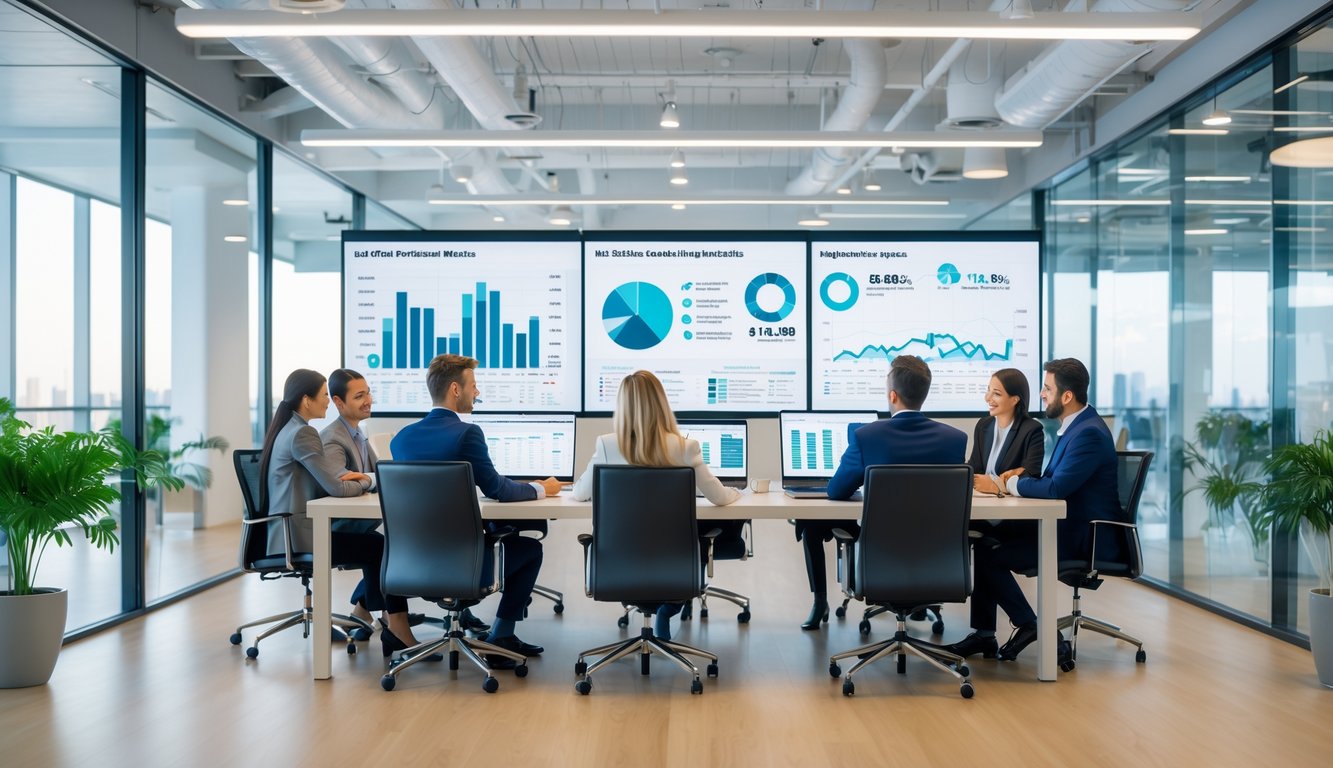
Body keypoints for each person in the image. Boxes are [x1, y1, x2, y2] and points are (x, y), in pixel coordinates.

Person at [947, 357, 1121, 662]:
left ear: (1066, 397)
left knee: (988, 555)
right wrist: (1016, 480)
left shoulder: (1088, 433)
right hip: (1064, 526)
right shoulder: (1077, 427)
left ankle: (1030, 626)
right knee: (983, 539)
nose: (1041, 394)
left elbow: (1054, 488)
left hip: (1081, 537)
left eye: (1047, 388)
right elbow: (1050, 482)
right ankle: (992, 634)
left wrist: (1007, 485)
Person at [390, 354, 559, 667]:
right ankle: (501, 636)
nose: (476, 393)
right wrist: (541, 488)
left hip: (412, 563)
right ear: (456, 389)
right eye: (473, 386)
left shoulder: (401, 439)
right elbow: (497, 489)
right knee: (529, 549)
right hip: (465, 564)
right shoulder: (467, 433)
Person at [259, 368, 424, 659]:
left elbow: (345, 480)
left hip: (287, 530)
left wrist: (357, 477)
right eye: (324, 396)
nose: (326, 402)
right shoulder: (304, 433)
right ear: (307, 400)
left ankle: (372, 616)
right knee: (380, 547)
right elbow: (337, 487)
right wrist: (362, 480)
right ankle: (395, 624)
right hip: (299, 537)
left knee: (377, 546)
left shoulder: (290, 429)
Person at [795, 355, 967, 630]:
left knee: (812, 525)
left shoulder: (867, 437)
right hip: (935, 551)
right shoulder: (955, 439)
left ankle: (820, 602)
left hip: (877, 551)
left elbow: (836, 490)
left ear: (892, 395)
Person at [571, 370, 741, 640]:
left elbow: (580, 494)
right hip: (673, 564)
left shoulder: (606, 445)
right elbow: (719, 497)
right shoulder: (685, 447)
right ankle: (669, 607)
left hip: (620, 564)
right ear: (661, 404)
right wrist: (736, 493)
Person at [320, 368, 485, 639]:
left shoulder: (359, 434)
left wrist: (372, 477)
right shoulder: (334, 438)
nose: (368, 400)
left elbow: (375, 475)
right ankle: (395, 623)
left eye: (368, 393)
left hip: (367, 521)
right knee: (389, 546)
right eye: (359, 396)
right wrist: (374, 478)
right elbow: (340, 484)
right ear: (339, 403)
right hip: (344, 524)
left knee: (396, 541)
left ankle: (363, 613)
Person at [969, 368, 1044, 490]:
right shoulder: (983, 425)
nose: (988, 398)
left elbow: (1031, 474)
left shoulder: (1032, 430)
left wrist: (997, 484)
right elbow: (975, 467)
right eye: (988, 390)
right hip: (981, 496)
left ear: (1015, 400)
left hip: (1010, 502)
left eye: (997, 394)